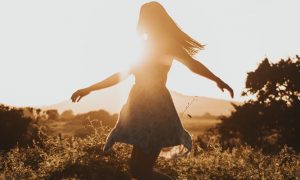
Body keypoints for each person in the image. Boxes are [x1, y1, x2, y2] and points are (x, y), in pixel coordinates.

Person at [71, 1, 234, 179]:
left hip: (156, 107)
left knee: (142, 170)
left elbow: (192, 65)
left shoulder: (167, 44)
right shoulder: (143, 45)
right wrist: (89, 89)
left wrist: (217, 80)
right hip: (139, 107)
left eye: (145, 18)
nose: (141, 22)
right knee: (136, 169)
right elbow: (121, 74)